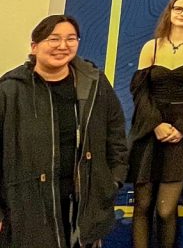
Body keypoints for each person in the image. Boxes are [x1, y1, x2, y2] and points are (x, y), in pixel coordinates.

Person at [0, 14, 128, 248]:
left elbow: (116, 134)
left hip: (83, 208)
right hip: (28, 208)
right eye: (54, 39)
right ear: (34, 46)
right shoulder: (10, 90)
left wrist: (112, 181)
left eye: (71, 38)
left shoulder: (94, 83)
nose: (63, 46)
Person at [127, 0, 183, 248]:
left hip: (182, 135)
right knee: (142, 206)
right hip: (149, 132)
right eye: (178, 9)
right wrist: (156, 124)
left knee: (165, 210)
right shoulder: (151, 47)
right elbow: (139, 91)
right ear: (170, 12)